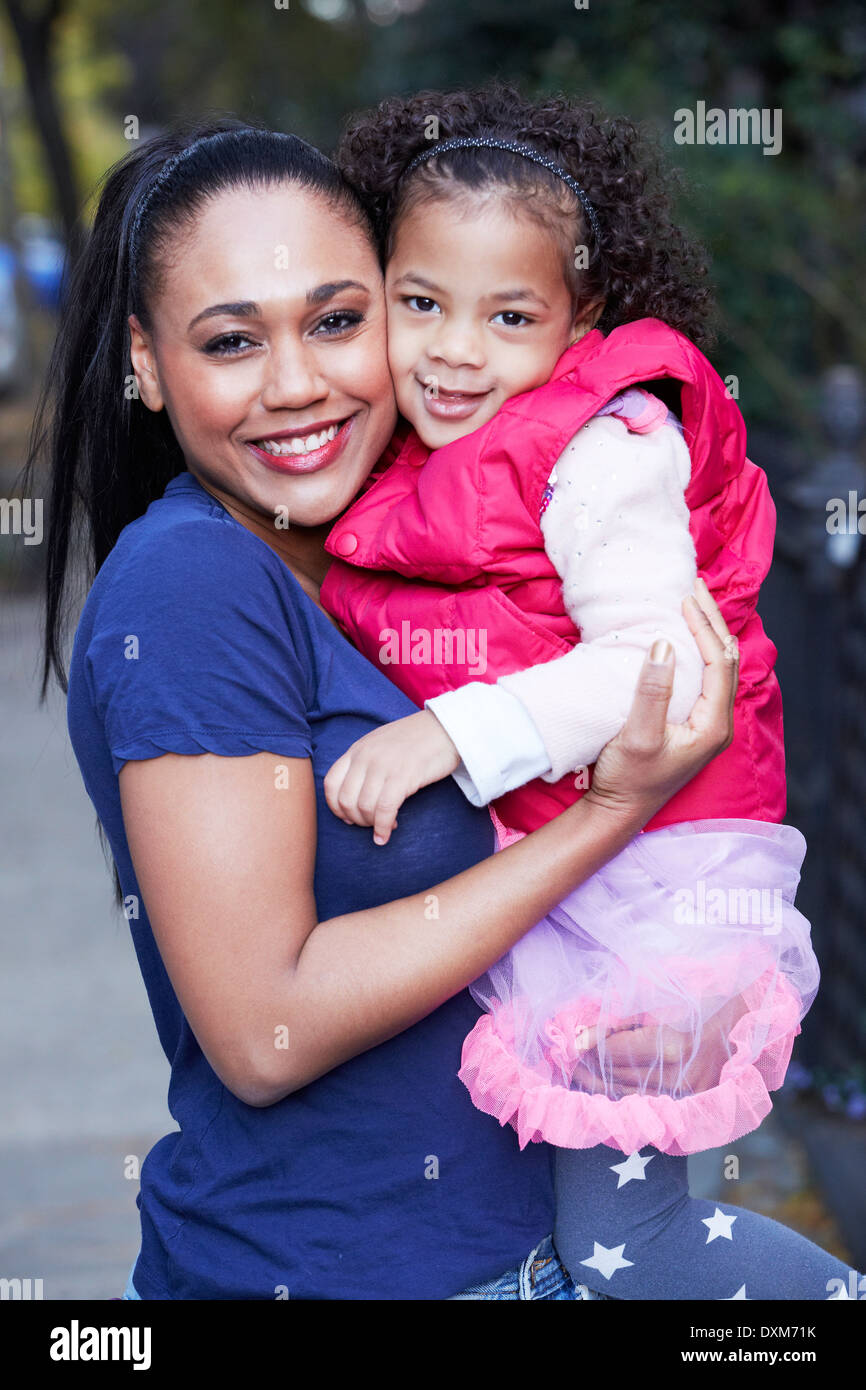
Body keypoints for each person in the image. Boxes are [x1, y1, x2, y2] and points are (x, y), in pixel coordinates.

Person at [24, 117, 738, 1301]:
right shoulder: (194, 585)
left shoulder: (383, 560)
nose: (297, 383)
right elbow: (264, 1033)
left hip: (519, 1252)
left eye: (337, 320)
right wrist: (607, 818)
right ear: (146, 362)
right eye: (231, 341)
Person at [317, 86, 851, 1299]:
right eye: (419, 304)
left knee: (632, 1249)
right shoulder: (432, 453)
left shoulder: (606, 448)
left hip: (654, 884)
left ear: (580, 318)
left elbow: (649, 666)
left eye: (507, 315)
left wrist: (447, 733)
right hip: (583, 860)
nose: (454, 348)